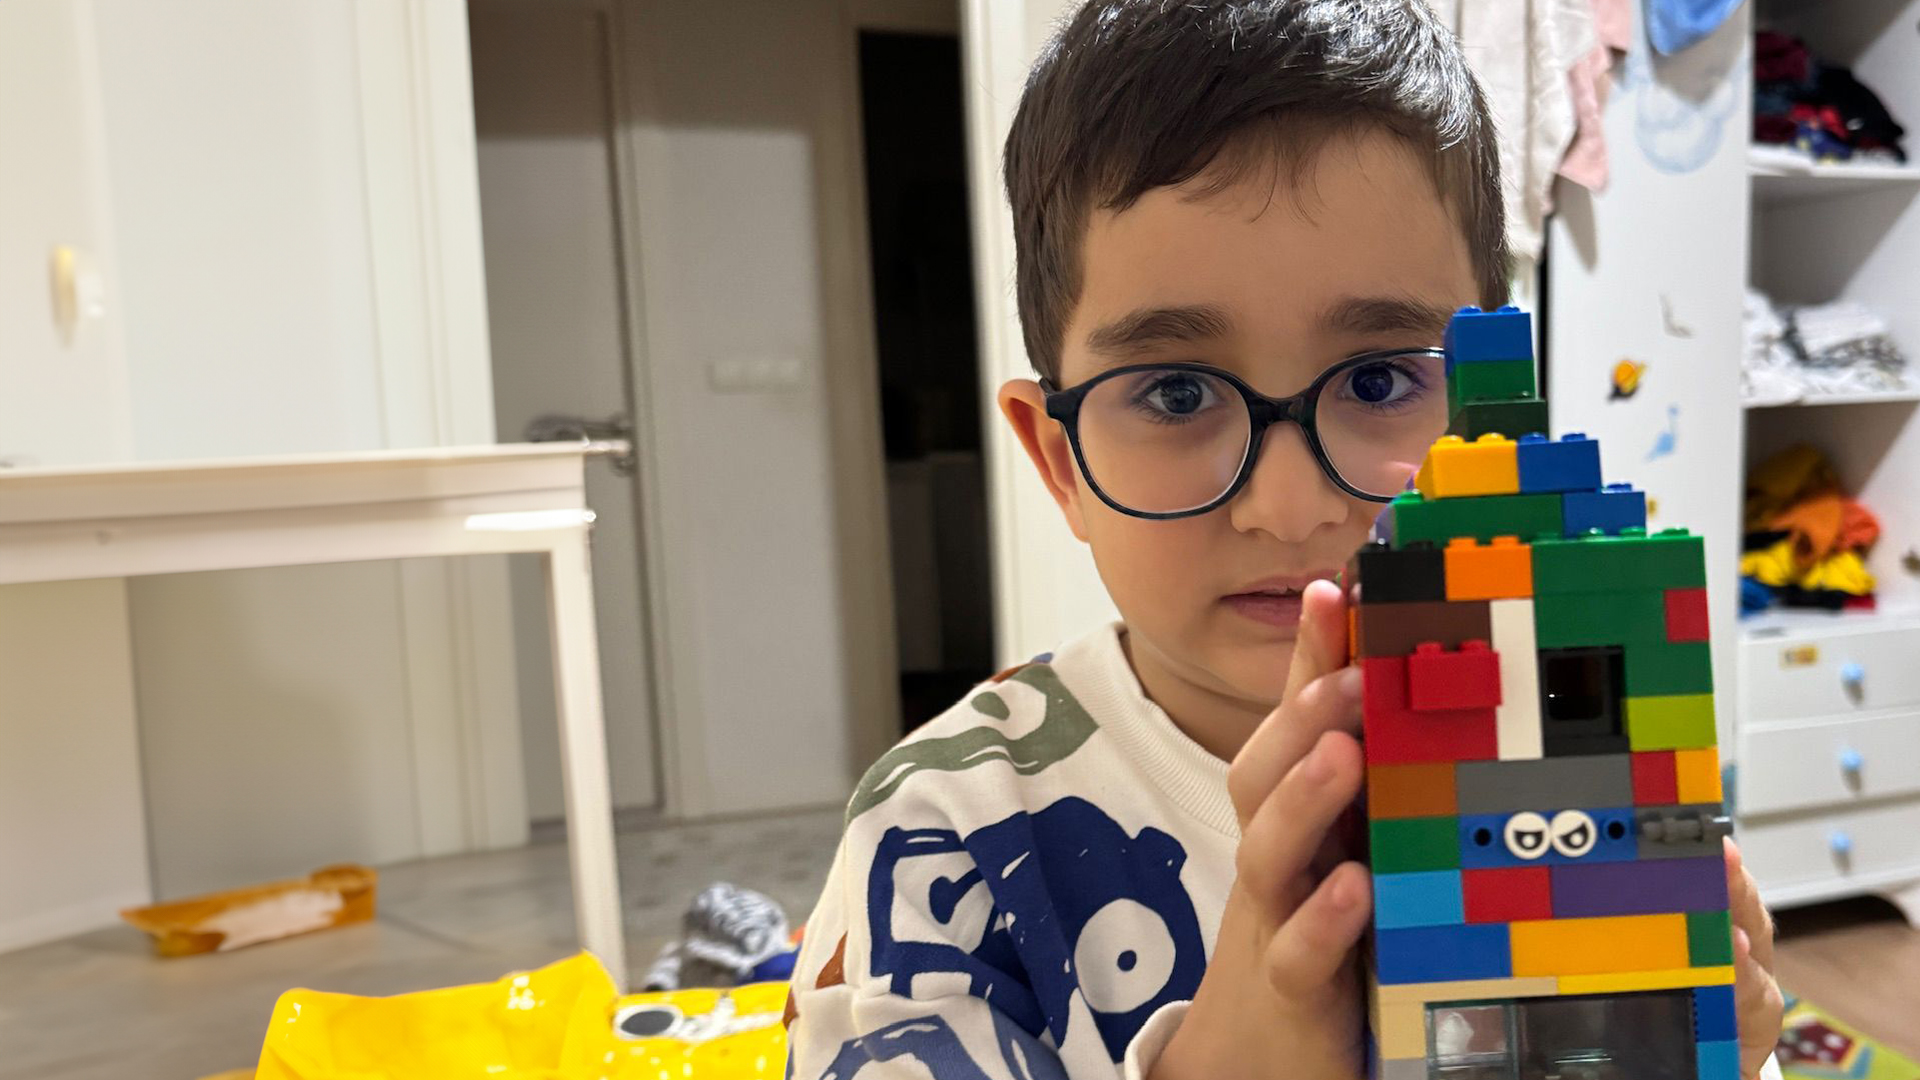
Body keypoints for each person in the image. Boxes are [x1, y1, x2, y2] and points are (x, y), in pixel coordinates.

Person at [784, 2, 1785, 1077]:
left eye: (1379, 380)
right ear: (1060, 462)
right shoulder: (945, 836)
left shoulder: (1588, 734)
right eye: (1175, 393)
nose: (1290, 506)